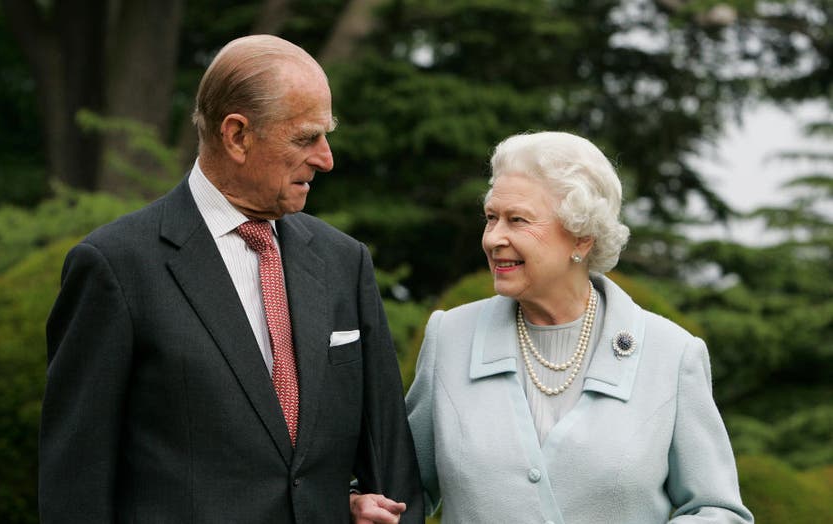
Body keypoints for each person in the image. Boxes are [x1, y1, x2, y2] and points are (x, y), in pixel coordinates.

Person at [39, 34, 423, 523]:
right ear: (237, 135)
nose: (326, 158)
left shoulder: (344, 262)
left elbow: (391, 467)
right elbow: (75, 488)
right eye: (306, 137)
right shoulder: (115, 266)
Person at [352, 131, 753, 523]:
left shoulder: (672, 354)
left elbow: (717, 510)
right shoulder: (450, 337)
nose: (494, 238)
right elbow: (399, 491)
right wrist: (358, 503)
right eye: (491, 218)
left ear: (581, 238)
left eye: (517, 220)